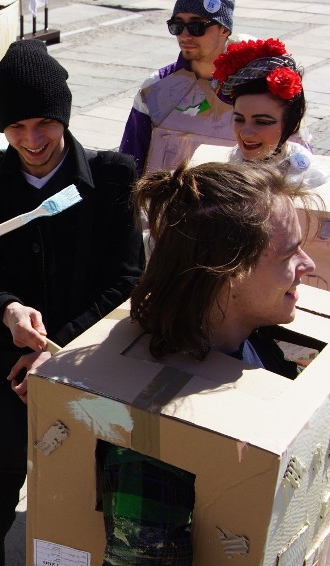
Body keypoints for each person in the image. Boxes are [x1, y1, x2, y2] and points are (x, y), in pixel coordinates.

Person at [0, 40, 144, 565]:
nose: (31, 141)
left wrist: (61, 346)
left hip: (86, 363)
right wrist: (7, 309)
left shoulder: (115, 176)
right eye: (15, 128)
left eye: (43, 125)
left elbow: (125, 278)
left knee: (78, 512)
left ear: (64, 116)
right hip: (5, 366)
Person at [97, 161, 316, 565]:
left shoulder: (260, 344)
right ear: (230, 273)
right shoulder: (151, 448)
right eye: (289, 253)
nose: (309, 265)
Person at [120, 0, 236, 176]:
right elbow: (129, 162)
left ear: (224, 29)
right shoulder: (155, 88)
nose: (185, 35)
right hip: (162, 201)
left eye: (197, 26)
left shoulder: (252, 90)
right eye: (177, 25)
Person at [213, 38, 328, 189]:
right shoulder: (231, 162)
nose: (245, 134)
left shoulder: (307, 178)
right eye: (239, 119)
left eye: (262, 122)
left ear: (293, 124)